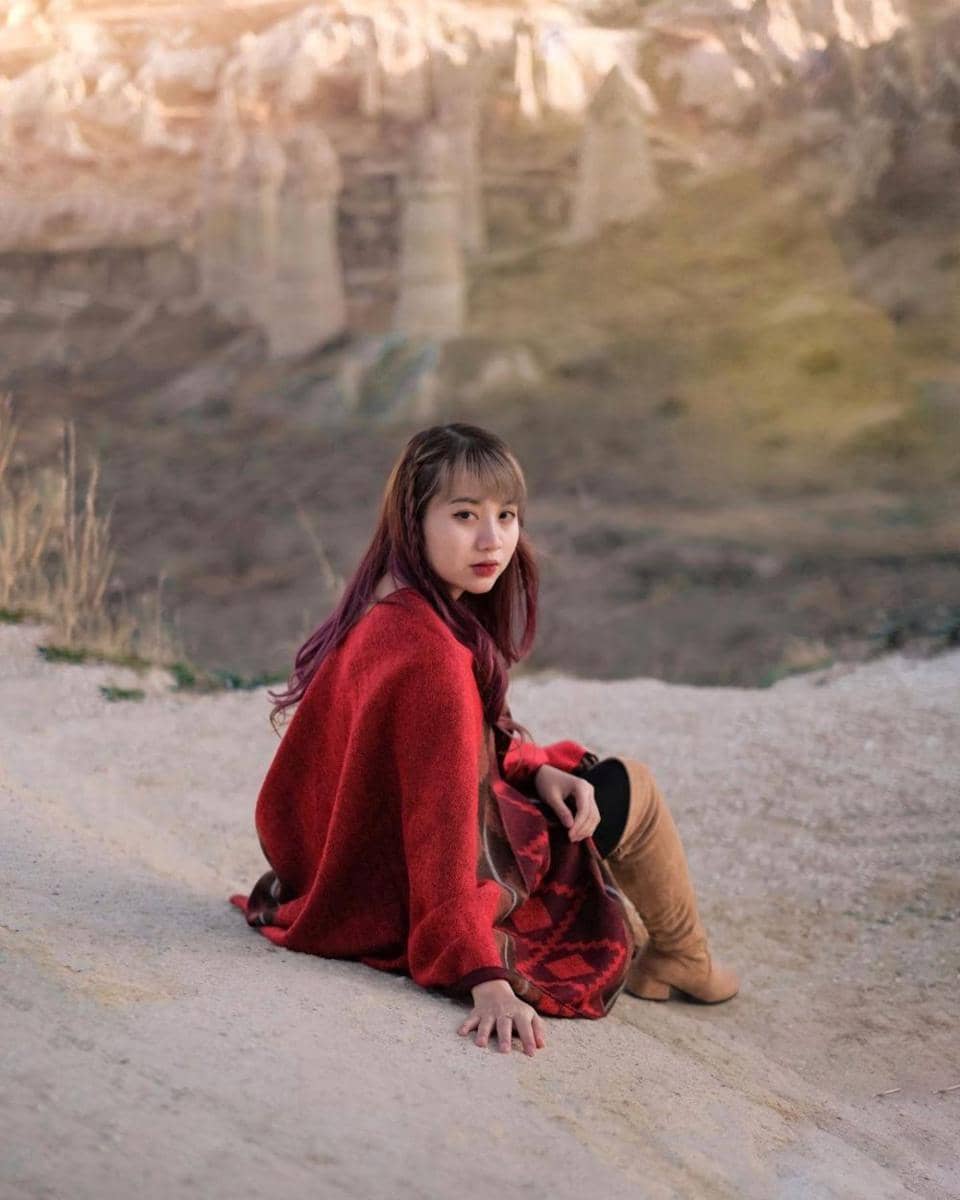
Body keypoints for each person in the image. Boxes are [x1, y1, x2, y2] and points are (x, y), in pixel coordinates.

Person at [230, 422, 738, 1057]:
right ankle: (684, 958)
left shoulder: (390, 603)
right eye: (465, 515)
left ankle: (674, 956)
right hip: (394, 890)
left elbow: (448, 758)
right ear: (413, 520)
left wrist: (536, 769)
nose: (492, 540)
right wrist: (485, 977)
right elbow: (440, 833)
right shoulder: (432, 658)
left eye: (507, 515)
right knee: (629, 786)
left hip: (351, 868)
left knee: (576, 780)